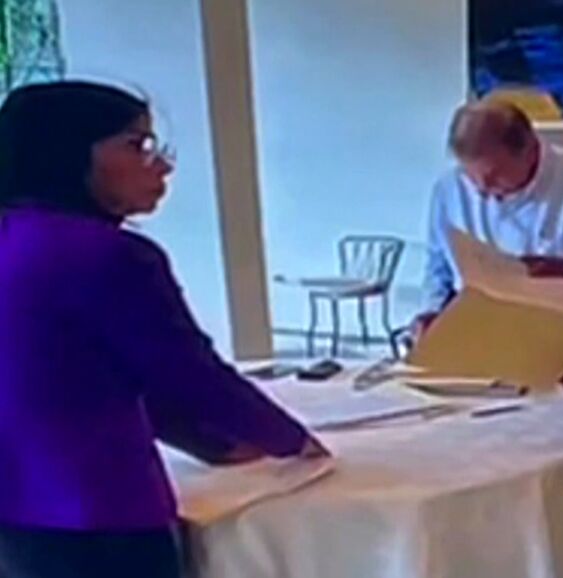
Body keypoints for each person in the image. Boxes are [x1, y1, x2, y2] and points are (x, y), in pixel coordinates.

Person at [0, 81, 327, 578]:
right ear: (69, 153)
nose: (163, 165)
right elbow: (187, 374)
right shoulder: (108, 255)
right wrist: (293, 441)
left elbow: (86, 370)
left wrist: (217, 446)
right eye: (137, 146)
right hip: (98, 511)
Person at [416, 100, 563, 334]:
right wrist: (430, 314)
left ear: (530, 151)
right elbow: (438, 269)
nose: (481, 190)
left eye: (494, 175)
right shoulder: (449, 188)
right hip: (477, 328)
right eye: (470, 176)